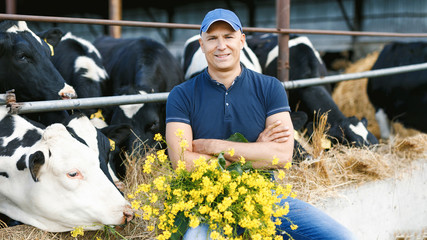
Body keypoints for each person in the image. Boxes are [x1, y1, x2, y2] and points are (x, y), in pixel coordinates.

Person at [165, 8, 357, 240]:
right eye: (212, 38)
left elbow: (282, 155)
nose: (221, 45)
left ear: (242, 41)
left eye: (228, 36)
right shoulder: (181, 95)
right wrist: (256, 150)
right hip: (206, 206)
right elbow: (183, 163)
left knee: (343, 237)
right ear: (201, 44)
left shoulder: (270, 88)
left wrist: (214, 146)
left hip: (266, 197)